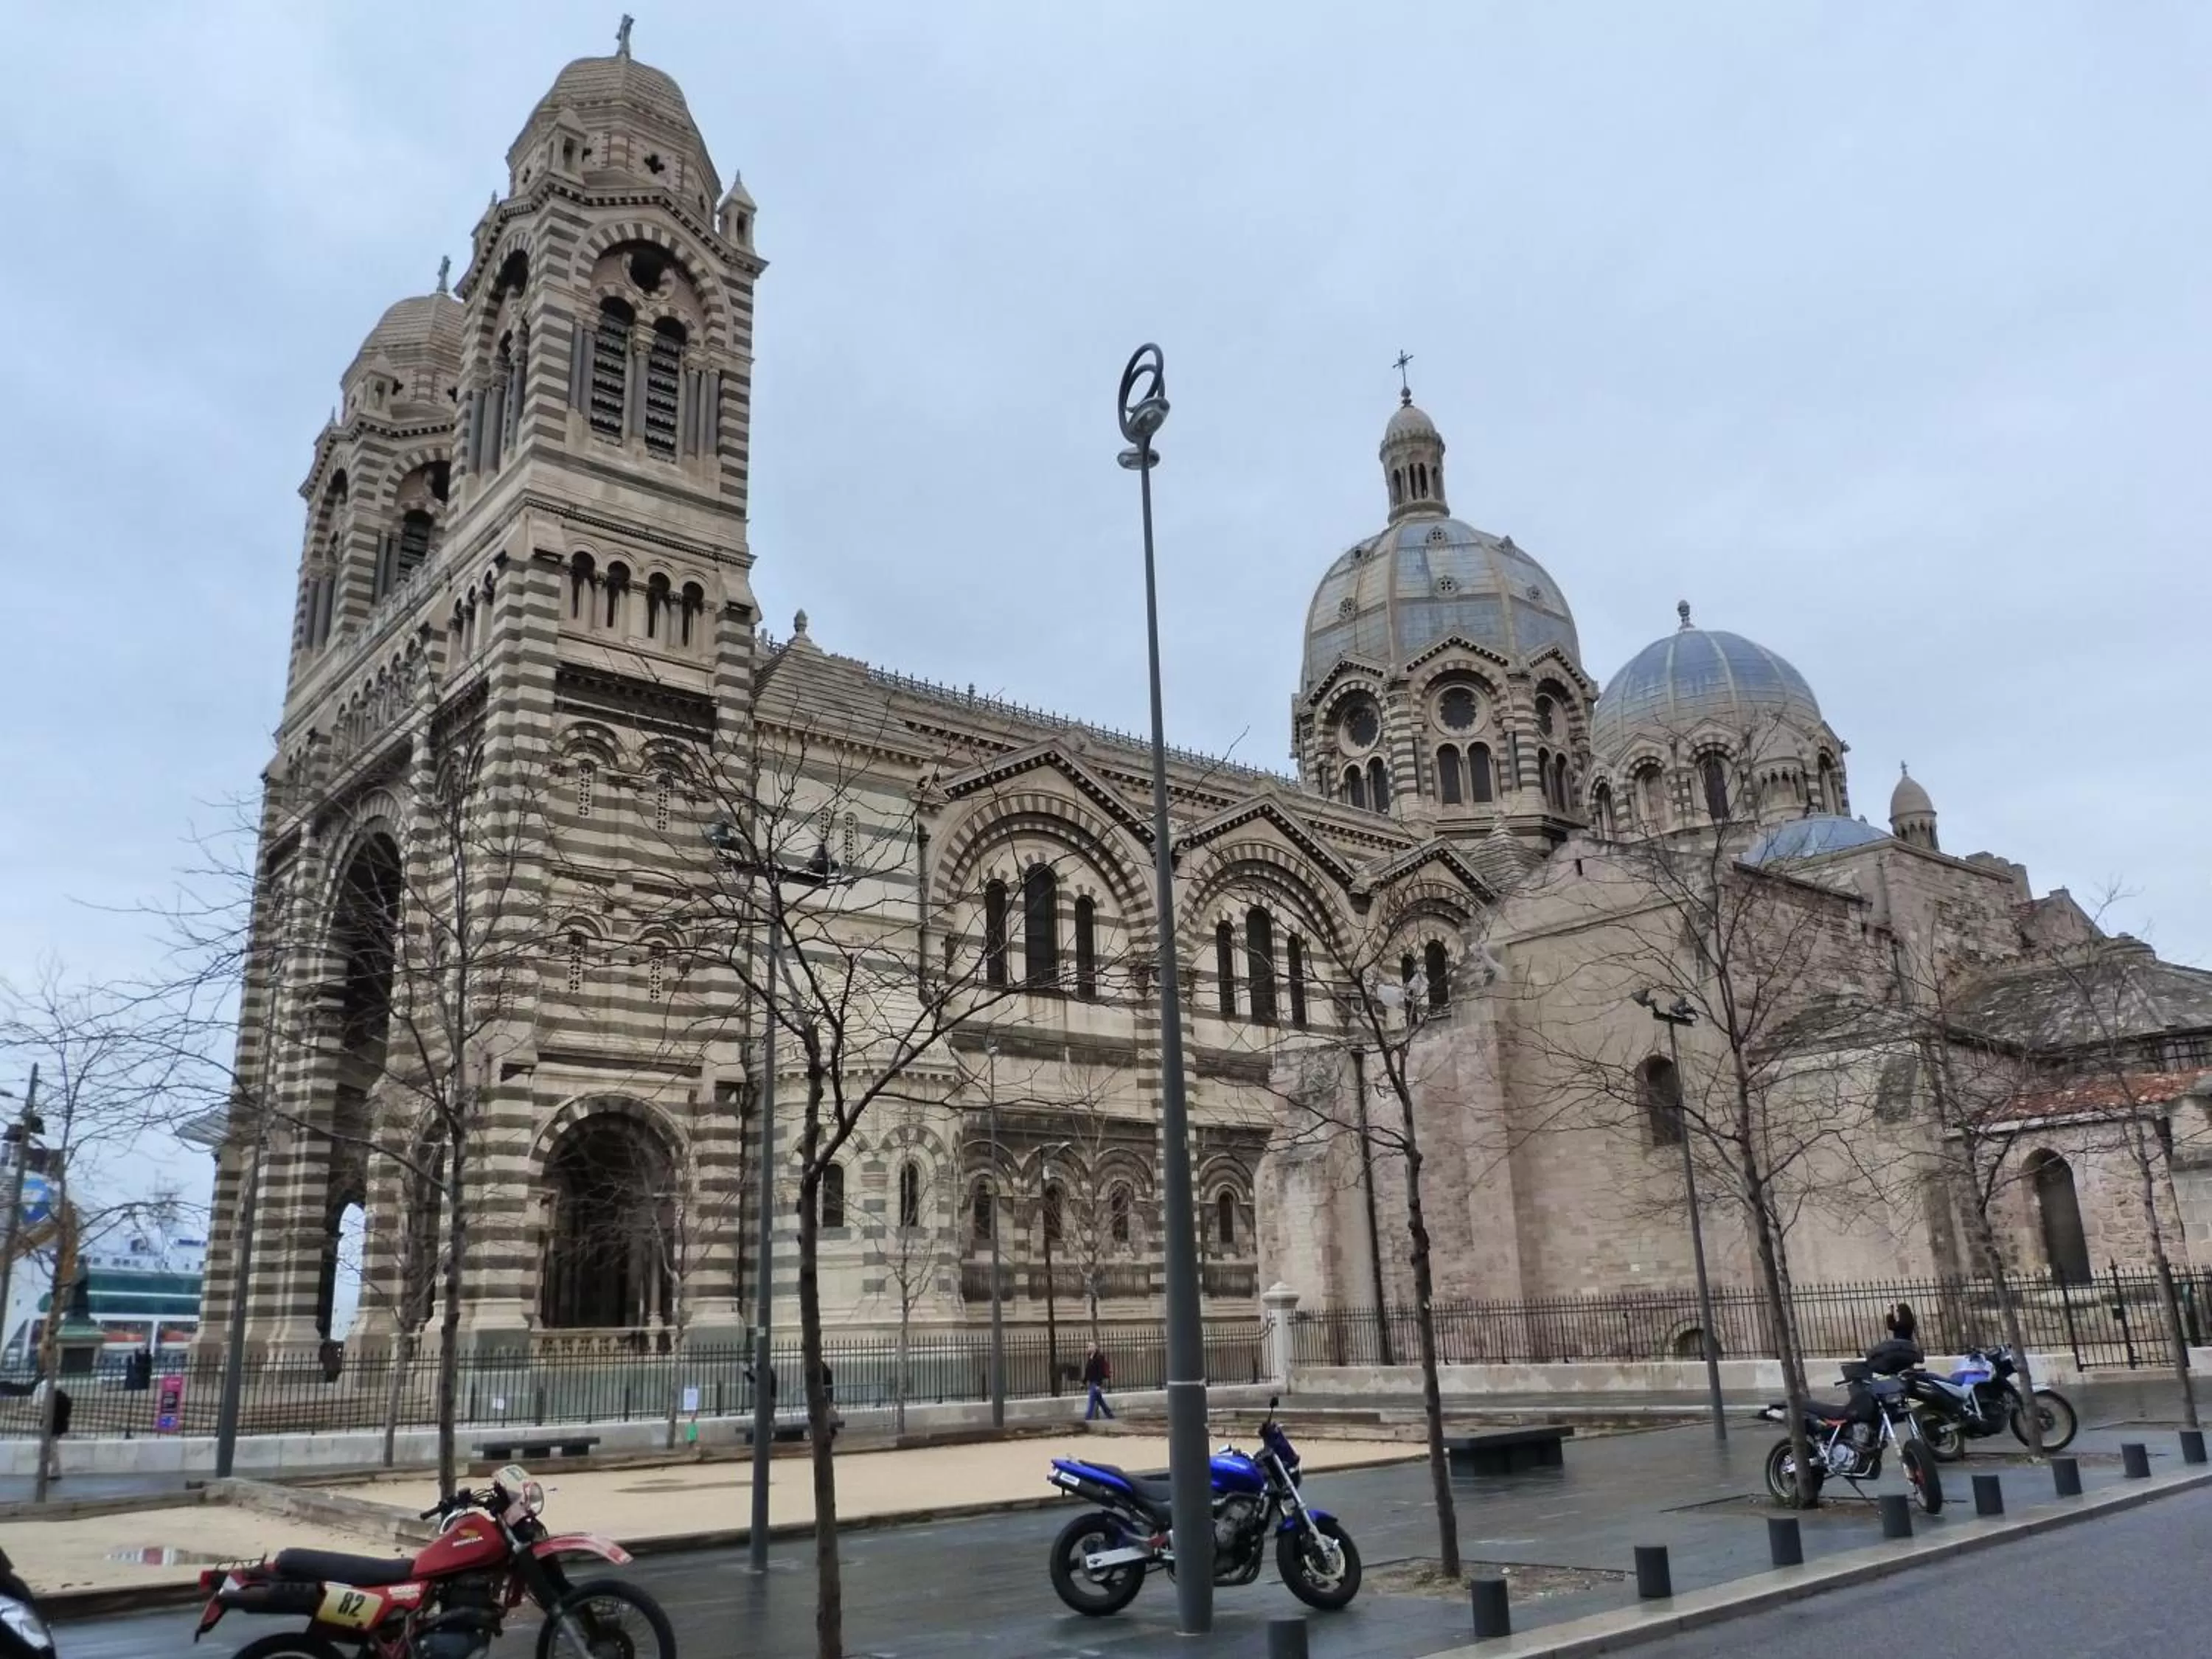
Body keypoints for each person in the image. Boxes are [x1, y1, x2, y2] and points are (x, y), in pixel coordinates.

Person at [1081, 1342, 1113, 1422]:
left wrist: (1099, 1384)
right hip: (1092, 1382)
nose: (1090, 1348)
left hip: (1096, 1383)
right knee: (1101, 1401)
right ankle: (1110, 1415)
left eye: (1092, 1346)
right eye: (1089, 1346)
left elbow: (1100, 1372)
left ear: (1096, 1348)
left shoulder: (1099, 1358)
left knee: (1091, 1401)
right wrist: (1083, 1382)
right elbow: (1087, 1372)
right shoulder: (1090, 1358)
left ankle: (1087, 1419)